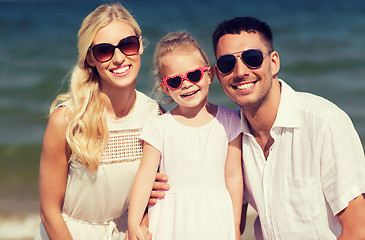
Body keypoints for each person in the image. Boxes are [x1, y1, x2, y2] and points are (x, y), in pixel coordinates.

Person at [150, 17, 365, 239]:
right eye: (227, 64)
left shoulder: (324, 123)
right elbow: (230, 222)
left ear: (274, 63)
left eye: (252, 58)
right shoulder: (229, 133)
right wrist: (164, 185)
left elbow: (358, 229)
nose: (240, 71)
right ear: (217, 74)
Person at [35, 3, 160, 240]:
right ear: (91, 58)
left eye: (128, 45)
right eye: (105, 50)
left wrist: (140, 225)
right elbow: (49, 212)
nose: (119, 58)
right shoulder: (67, 119)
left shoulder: (156, 115)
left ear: (140, 45)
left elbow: (153, 196)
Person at [127, 32, 243, 240]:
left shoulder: (229, 120)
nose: (187, 84)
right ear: (165, 87)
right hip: (170, 221)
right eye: (175, 81)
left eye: (194, 75)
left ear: (209, 75)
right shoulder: (159, 125)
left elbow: (233, 176)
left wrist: (235, 226)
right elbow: (144, 177)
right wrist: (134, 223)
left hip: (216, 219)